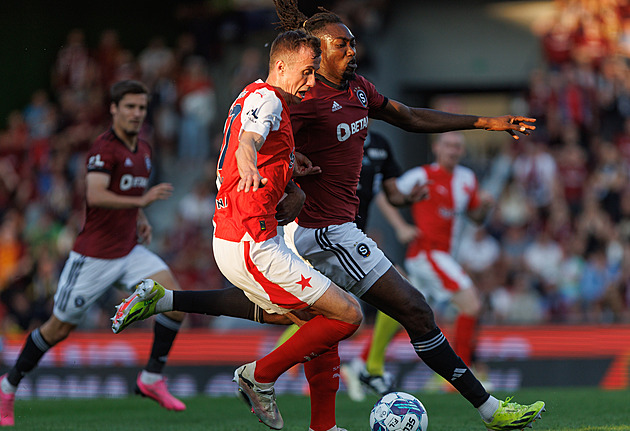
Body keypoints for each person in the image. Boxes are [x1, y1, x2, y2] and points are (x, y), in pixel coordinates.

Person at [273, 1, 546, 430]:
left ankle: (181, 306)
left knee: (329, 320)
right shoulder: (300, 100)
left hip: (338, 230)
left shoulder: (359, 89)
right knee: (412, 310)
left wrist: (485, 122)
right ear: (318, 51)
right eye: (342, 45)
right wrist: (288, 178)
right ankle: (489, 410)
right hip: (321, 231)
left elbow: (412, 116)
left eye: (353, 44)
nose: (352, 51)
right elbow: (256, 144)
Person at [112, 30, 362, 431]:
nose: (313, 81)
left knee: (313, 326)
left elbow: (258, 143)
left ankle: (167, 299)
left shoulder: (254, 93)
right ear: (281, 67)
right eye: (308, 72)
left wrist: (287, 169)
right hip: (253, 242)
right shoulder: (268, 101)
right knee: (348, 315)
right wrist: (249, 159)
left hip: (236, 235)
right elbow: (249, 140)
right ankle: (259, 375)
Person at [0, 80, 187, 427]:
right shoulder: (104, 149)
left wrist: (140, 217)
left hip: (128, 250)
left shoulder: (143, 149)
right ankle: (8, 385)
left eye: (141, 108)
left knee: (173, 298)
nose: (136, 113)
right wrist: (142, 203)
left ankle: (151, 378)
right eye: (129, 107)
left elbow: (127, 191)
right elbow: (97, 194)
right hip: (93, 257)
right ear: (114, 109)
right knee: (57, 330)